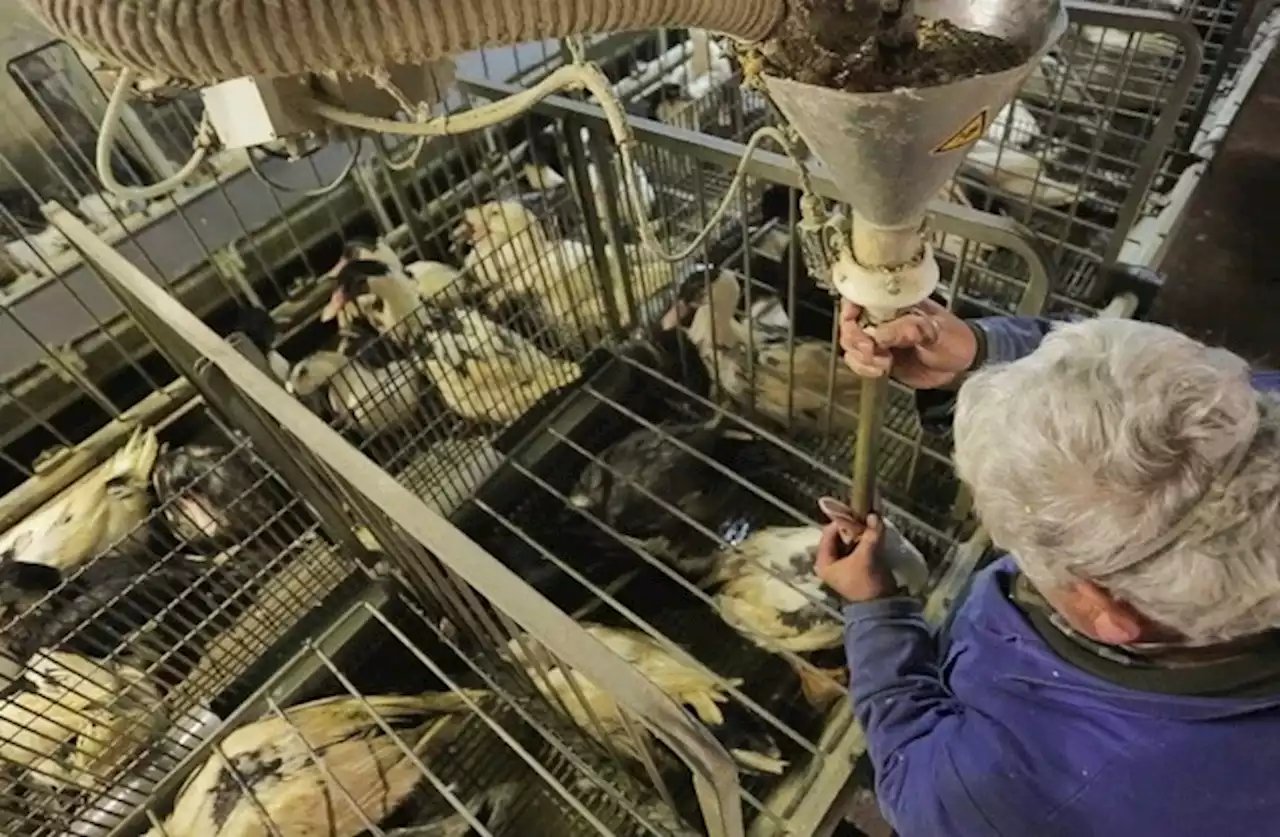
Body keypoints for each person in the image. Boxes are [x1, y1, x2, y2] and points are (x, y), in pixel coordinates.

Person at [815, 299, 1280, 837]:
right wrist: (979, 352)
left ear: (1108, 612)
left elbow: (914, 772)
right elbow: (1162, 395)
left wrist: (876, 612)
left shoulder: (1020, 794)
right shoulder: (1251, 423)